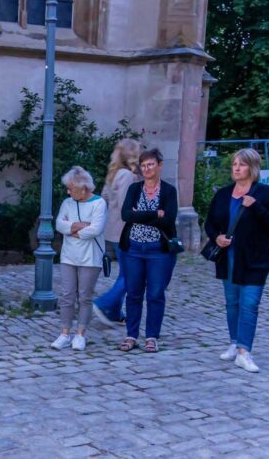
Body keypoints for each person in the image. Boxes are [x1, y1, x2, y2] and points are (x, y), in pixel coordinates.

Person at [204, 148, 269, 372]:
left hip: (255, 259)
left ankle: (244, 351)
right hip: (227, 258)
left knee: (250, 304)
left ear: (253, 167)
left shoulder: (266, 194)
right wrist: (216, 237)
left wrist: (255, 206)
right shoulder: (223, 194)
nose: (237, 168)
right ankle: (234, 342)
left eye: (242, 164)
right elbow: (210, 223)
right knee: (232, 303)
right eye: (234, 164)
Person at [117, 148, 177, 353]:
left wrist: (140, 214)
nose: (146, 169)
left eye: (150, 164)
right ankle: (131, 335)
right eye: (143, 165)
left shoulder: (169, 191)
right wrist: (155, 214)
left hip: (158, 250)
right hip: (133, 248)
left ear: (159, 165)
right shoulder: (135, 189)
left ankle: (151, 336)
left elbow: (168, 219)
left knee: (155, 294)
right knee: (133, 293)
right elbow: (126, 215)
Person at [51, 166, 107, 351]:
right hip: (68, 256)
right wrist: (79, 226)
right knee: (67, 296)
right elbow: (59, 224)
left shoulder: (99, 204)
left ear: (83, 188)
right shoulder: (67, 203)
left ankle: (80, 334)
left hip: (90, 258)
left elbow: (95, 230)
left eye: (71, 188)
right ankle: (64, 333)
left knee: (84, 297)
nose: (68, 191)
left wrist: (73, 230)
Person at [93, 139, 141, 327]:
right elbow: (125, 206)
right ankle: (104, 303)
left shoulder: (114, 174)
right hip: (125, 231)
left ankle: (113, 310)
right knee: (131, 275)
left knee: (125, 272)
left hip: (113, 230)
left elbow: (104, 197)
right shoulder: (127, 176)